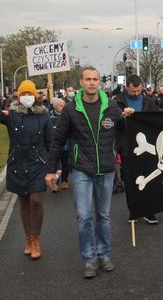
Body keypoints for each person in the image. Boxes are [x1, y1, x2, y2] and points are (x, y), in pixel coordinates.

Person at [44, 66, 131, 279]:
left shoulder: (111, 107)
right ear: (81, 83)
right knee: (84, 216)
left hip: (106, 170)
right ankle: (89, 259)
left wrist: (128, 118)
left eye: (95, 79)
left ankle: (104, 255)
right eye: (88, 79)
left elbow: (126, 132)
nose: (92, 82)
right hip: (82, 170)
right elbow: (58, 140)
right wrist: (50, 170)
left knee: (103, 216)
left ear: (99, 82)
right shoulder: (71, 109)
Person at [0, 80, 52, 259]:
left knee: (36, 200)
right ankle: (28, 239)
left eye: (30, 94)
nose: (27, 97)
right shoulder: (11, 115)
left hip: (38, 165)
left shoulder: (44, 117)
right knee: (24, 202)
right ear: (18, 96)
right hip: (17, 165)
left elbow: (51, 142)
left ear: (36, 96)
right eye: (23, 94)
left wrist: (54, 167)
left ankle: (36, 239)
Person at [114, 74, 159, 224]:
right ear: (126, 87)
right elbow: (113, 121)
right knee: (129, 180)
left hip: (147, 146)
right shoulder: (118, 101)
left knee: (150, 177)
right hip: (127, 146)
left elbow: (156, 119)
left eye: (139, 90)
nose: (136, 93)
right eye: (133, 91)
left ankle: (149, 210)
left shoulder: (149, 100)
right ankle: (133, 210)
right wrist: (123, 116)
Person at [49, 97, 70, 192]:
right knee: (56, 165)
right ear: (55, 107)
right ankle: (55, 184)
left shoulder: (67, 116)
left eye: (63, 105)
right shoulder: (50, 117)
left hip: (66, 145)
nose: (63, 107)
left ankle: (64, 181)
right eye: (60, 106)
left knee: (65, 165)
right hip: (56, 146)